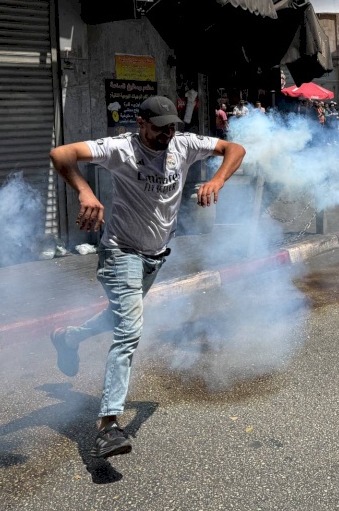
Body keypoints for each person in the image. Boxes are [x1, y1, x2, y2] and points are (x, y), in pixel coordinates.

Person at [48, 96, 246, 458]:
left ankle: (68, 338)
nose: (167, 134)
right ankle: (108, 424)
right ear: (141, 124)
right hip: (121, 251)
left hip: (155, 256)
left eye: (171, 126)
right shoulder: (120, 149)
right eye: (159, 128)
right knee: (129, 332)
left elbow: (234, 148)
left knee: (119, 318)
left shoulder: (183, 144)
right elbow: (61, 154)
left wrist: (217, 180)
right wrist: (86, 191)